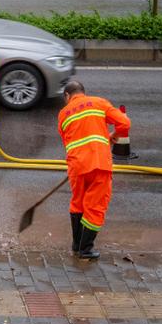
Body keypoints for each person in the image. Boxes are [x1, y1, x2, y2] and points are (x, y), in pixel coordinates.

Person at [57, 80, 130, 259]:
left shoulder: (63, 114)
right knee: (95, 207)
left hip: (76, 165)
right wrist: (113, 135)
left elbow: (68, 141)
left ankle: (76, 244)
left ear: (67, 96)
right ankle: (86, 249)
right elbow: (125, 123)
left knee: (78, 203)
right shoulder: (99, 103)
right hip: (98, 164)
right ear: (83, 92)